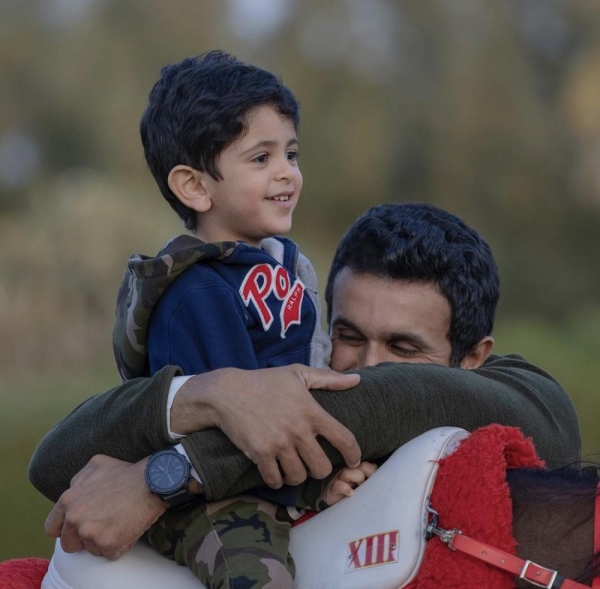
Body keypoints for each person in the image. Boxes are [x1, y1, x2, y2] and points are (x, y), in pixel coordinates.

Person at [29, 203, 582, 569]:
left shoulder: (519, 393)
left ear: (473, 359)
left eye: (404, 349)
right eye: (348, 335)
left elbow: (384, 399)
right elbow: (53, 463)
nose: (366, 366)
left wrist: (165, 476)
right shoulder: (276, 375)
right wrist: (207, 393)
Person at [109, 51, 374, 588]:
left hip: (282, 473)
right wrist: (313, 490)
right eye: (260, 159)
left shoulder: (287, 267)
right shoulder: (198, 291)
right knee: (254, 569)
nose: (287, 173)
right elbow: (244, 428)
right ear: (195, 187)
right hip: (212, 495)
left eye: (291, 154)